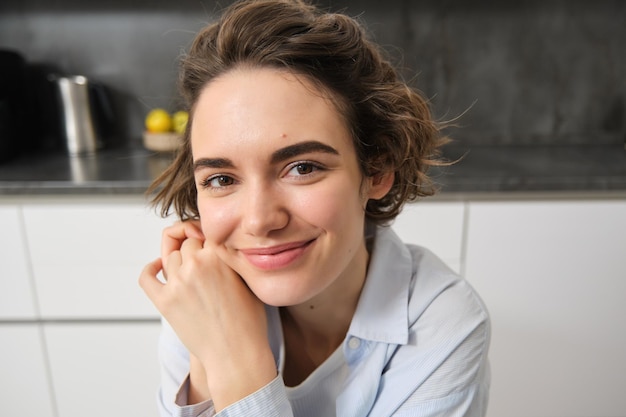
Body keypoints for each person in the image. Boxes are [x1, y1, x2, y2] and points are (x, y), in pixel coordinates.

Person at [139, 0, 491, 416]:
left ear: (377, 169)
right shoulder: (201, 294)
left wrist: (235, 363)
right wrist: (206, 359)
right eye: (221, 179)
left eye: (302, 168)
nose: (259, 220)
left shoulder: (444, 323)